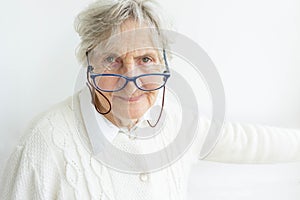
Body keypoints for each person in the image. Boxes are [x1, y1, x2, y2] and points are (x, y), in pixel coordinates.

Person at [1, 0, 299, 199]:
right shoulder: (42, 145)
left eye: (146, 58)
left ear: (163, 63)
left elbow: (247, 142)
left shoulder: (173, 119)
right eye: (112, 59)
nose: (132, 83)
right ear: (88, 64)